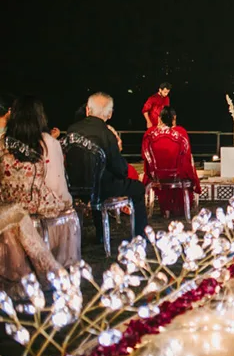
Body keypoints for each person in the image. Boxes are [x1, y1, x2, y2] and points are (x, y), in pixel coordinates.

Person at [0, 96, 79, 267]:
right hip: (38, 209)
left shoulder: (2, 143)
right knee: (69, 212)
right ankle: (60, 262)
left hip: (8, 211)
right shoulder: (48, 143)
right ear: (40, 117)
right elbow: (56, 185)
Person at [67, 92, 148, 237]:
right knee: (137, 188)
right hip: (102, 189)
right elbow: (119, 169)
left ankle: (100, 234)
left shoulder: (72, 130)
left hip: (75, 187)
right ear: (109, 114)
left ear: (87, 110)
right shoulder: (106, 134)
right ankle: (141, 235)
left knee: (99, 179)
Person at [142, 106, 201, 219]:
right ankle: (180, 208)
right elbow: (186, 156)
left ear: (159, 118)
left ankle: (165, 210)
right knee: (188, 169)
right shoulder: (181, 133)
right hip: (177, 175)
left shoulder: (149, 134)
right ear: (174, 118)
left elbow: (145, 155)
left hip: (157, 176)